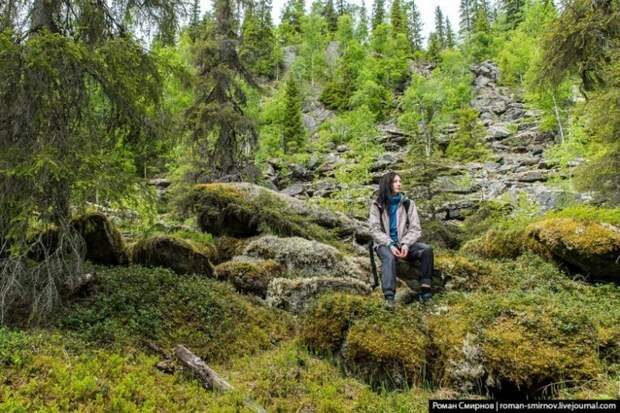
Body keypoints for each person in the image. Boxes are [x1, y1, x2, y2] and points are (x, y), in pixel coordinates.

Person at [368, 171, 434, 307]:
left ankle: (426, 290)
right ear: (388, 184)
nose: (399, 184)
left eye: (400, 181)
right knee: (389, 257)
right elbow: (374, 229)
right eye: (395, 181)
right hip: (384, 244)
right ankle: (389, 297)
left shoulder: (408, 203)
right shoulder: (377, 205)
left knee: (427, 250)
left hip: (404, 243)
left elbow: (416, 228)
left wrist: (405, 244)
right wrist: (390, 243)